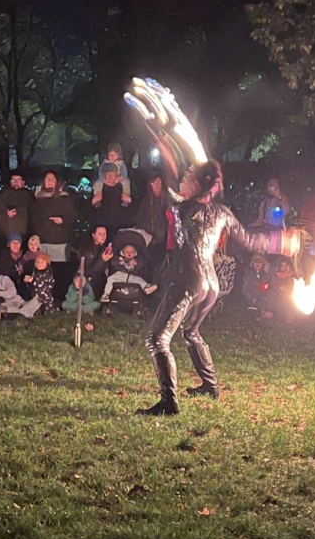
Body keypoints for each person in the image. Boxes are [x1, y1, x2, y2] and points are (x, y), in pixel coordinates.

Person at [143, 160, 300, 415]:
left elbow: (170, 177)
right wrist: (281, 241)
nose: (182, 180)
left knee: (157, 340)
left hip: (188, 281)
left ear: (195, 185)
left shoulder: (182, 207)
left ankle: (168, 403)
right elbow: (250, 240)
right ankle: (210, 385)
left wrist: (164, 146)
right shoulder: (222, 212)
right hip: (210, 284)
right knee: (191, 331)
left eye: (188, 177)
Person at [29, 170, 77, 263]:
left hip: (59, 241)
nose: (49, 181)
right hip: (42, 242)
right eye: (47, 179)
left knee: (59, 269)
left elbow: (73, 215)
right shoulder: (38, 199)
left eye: (52, 179)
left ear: (56, 182)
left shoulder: (64, 198)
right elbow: (33, 219)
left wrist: (63, 220)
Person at [134, 172, 169, 275]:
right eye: (154, 183)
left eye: (159, 182)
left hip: (164, 239)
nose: (157, 185)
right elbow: (140, 218)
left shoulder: (168, 200)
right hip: (149, 238)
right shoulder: (146, 201)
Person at [0, 171, 32, 240]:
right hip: (5, 235)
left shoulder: (30, 196)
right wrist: (5, 215)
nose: (15, 182)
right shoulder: (1, 196)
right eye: (13, 180)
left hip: (26, 235)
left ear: (23, 182)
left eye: (18, 180)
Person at [71, 226, 113, 298]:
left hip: (100, 278)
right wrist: (103, 260)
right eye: (100, 234)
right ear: (93, 235)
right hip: (88, 280)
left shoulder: (103, 247)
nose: (103, 237)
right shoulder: (87, 250)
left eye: (104, 234)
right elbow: (89, 271)